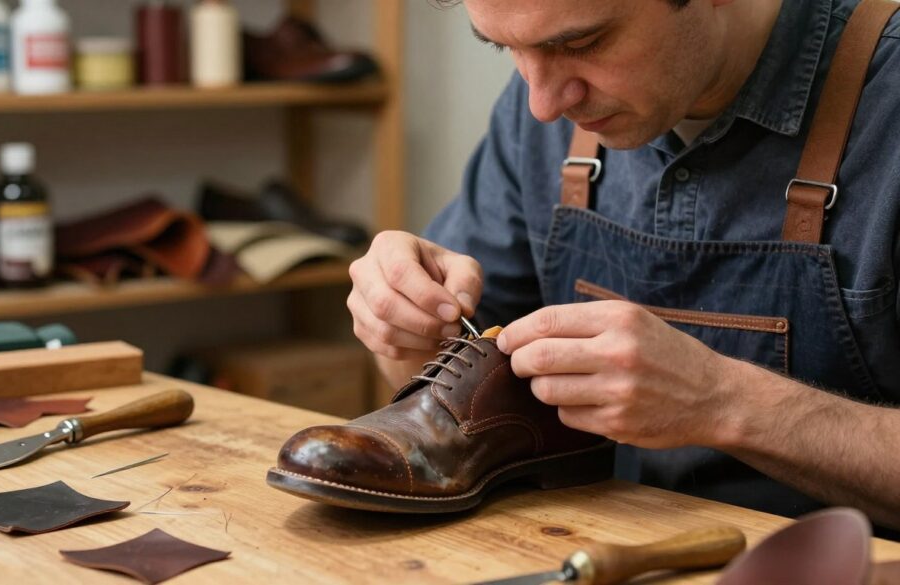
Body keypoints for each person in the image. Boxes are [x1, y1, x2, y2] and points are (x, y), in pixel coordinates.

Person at [347, 0, 900, 532]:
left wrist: (725, 401)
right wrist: (407, 329)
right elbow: (461, 408)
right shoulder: (539, 105)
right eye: (503, 48)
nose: (543, 104)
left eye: (583, 43)